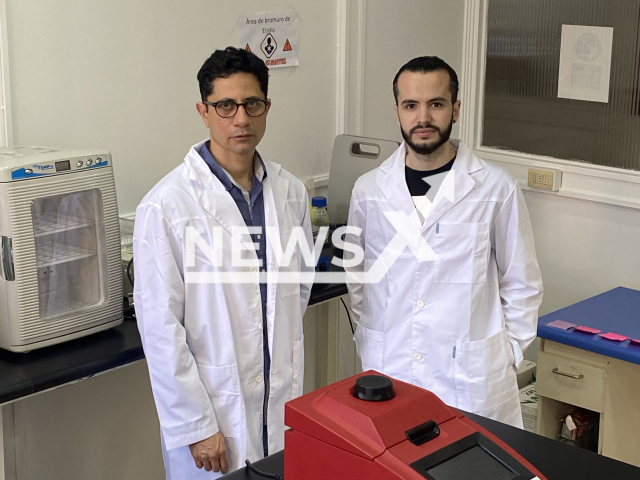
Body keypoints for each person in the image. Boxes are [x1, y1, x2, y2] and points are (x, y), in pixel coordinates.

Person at [133, 46, 313, 479]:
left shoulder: (290, 192)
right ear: (204, 110)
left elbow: (299, 289)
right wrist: (195, 424)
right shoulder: (167, 205)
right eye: (225, 105)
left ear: (267, 107)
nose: (241, 118)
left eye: (252, 104)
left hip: (279, 397)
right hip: (213, 414)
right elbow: (159, 328)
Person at [344, 56, 543, 428]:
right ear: (397, 111)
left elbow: (522, 283)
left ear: (455, 109)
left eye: (435, 104)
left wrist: (506, 355)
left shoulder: (495, 188)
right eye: (411, 105)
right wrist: (373, 340)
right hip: (392, 368)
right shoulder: (369, 190)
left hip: (469, 379)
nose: (423, 118)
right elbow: (359, 280)